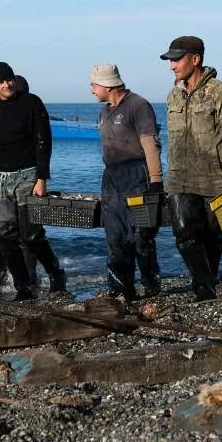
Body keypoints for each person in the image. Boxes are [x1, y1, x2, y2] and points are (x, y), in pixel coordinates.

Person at [159, 36, 222, 301]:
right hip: (178, 176)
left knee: (213, 235)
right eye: (170, 60)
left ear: (195, 59)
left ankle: (209, 284)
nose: (172, 66)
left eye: (176, 59)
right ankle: (202, 287)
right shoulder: (173, 95)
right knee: (184, 232)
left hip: (215, 177)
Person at [0, 63, 66, 298]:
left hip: (28, 175)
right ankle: (23, 287)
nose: (6, 84)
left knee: (31, 236)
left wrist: (42, 178)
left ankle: (55, 273)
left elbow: (44, 141)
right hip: (0, 178)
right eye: (0, 82)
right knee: (5, 236)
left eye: (9, 79)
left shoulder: (31, 103)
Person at [90, 63, 163, 300]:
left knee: (140, 235)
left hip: (137, 173)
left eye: (94, 85)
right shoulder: (104, 112)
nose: (91, 90)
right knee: (115, 235)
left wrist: (156, 181)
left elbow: (150, 144)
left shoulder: (138, 106)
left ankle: (151, 284)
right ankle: (120, 288)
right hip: (112, 176)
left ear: (107, 84)